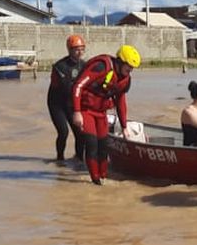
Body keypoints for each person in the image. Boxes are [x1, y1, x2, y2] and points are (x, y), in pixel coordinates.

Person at [71, 44, 141, 185]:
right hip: (85, 109)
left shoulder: (125, 79)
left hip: (101, 112)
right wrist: (77, 112)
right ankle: (95, 180)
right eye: (128, 67)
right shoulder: (101, 66)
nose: (130, 71)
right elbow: (78, 85)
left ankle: (103, 176)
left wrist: (124, 126)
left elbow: (121, 102)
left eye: (132, 69)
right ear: (120, 62)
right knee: (92, 144)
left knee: (103, 146)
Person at [47, 34, 88, 162]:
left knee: (80, 133)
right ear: (69, 50)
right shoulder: (60, 66)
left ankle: (79, 159)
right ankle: (60, 159)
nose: (80, 52)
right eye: (76, 49)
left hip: (72, 103)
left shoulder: (85, 66)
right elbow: (64, 87)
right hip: (57, 104)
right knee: (63, 132)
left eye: (82, 49)